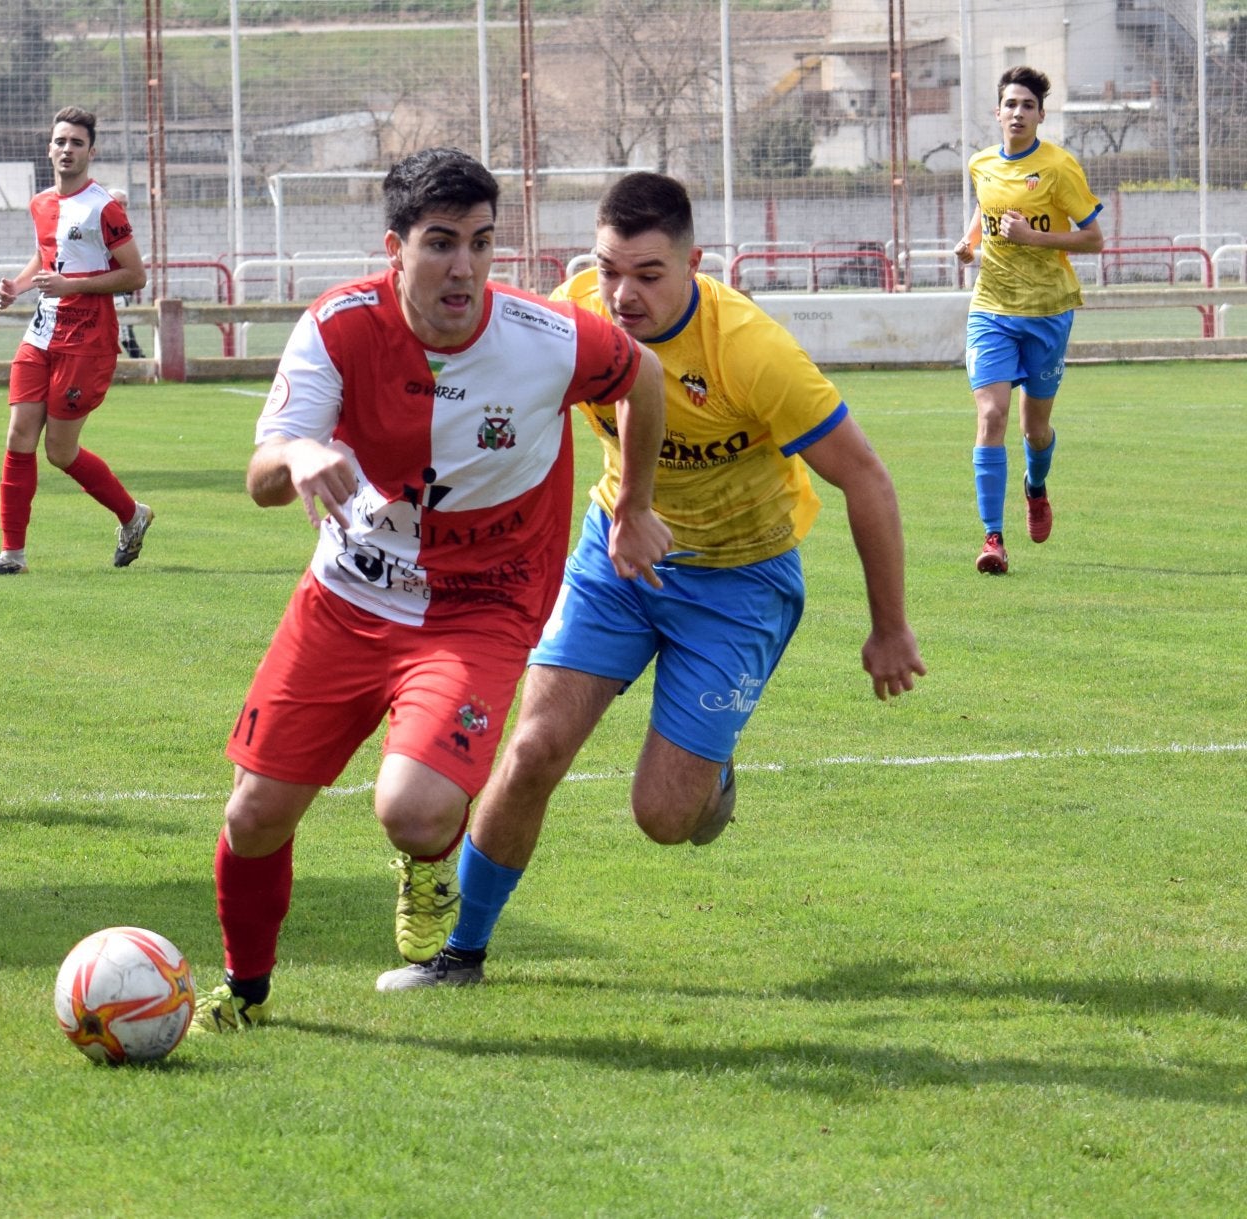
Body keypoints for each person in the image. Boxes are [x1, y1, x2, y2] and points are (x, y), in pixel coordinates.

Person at [375, 171, 926, 992]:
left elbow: (868, 478)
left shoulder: (751, 350)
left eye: (648, 274)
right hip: (616, 559)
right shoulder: (574, 312)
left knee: (666, 817)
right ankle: (462, 953)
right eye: (608, 270)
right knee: (530, 749)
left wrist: (890, 627)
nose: (622, 295)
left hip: (740, 580)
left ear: (695, 263)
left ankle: (710, 774)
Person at [192, 147, 671, 1032]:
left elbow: (641, 373)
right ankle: (245, 990)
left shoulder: (547, 337)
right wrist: (300, 453)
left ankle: (427, 863)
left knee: (413, 810)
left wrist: (635, 505)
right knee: (254, 813)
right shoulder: (337, 327)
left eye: (482, 244)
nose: (464, 267)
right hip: (347, 597)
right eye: (442, 243)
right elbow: (262, 474)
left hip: (480, 607)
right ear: (396, 248)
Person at [0, 106, 153, 576]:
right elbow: (46, 254)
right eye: (61, 141)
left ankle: (132, 515)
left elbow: (135, 274)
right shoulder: (40, 204)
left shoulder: (105, 207)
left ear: (90, 153)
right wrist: (16, 287)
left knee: (59, 451)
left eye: (77, 143)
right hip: (41, 332)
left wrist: (73, 285)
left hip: (87, 339)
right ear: (49, 149)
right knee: (18, 435)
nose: (67, 149)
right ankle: (11, 554)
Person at [953, 65, 1103, 575]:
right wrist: (971, 242)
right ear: (997, 112)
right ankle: (993, 539)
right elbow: (987, 207)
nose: (1018, 113)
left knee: (1034, 430)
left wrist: (1033, 238)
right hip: (991, 309)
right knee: (991, 416)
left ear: (1040, 115)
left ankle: (1035, 488)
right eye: (1010, 104)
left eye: (1028, 106)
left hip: (1047, 312)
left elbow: (1094, 237)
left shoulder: (1059, 168)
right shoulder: (980, 164)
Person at [108, 188, 147, 359]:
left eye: (125, 204)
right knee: (123, 332)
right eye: (119, 203)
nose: (123, 207)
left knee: (124, 330)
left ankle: (139, 362)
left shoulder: (122, 226)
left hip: (120, 290)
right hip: (109, 289)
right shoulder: (104, 225)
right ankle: (140, 361)